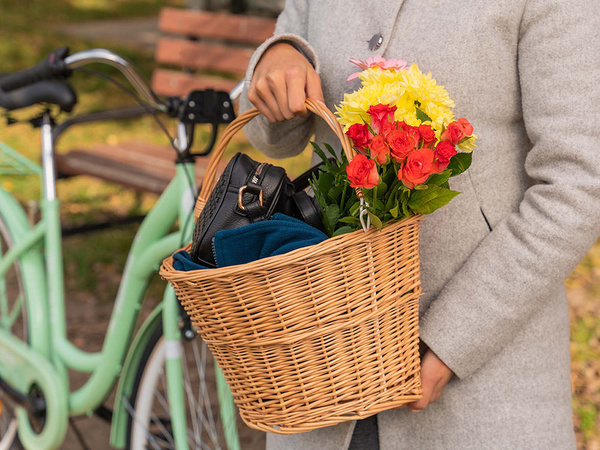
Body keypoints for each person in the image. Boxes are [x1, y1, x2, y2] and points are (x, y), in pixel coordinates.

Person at [239, 1, 600, 448]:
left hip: (479, 390)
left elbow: (580, 182)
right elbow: (271, 136)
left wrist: (453, 338)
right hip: (322, 374)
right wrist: (280, 54)